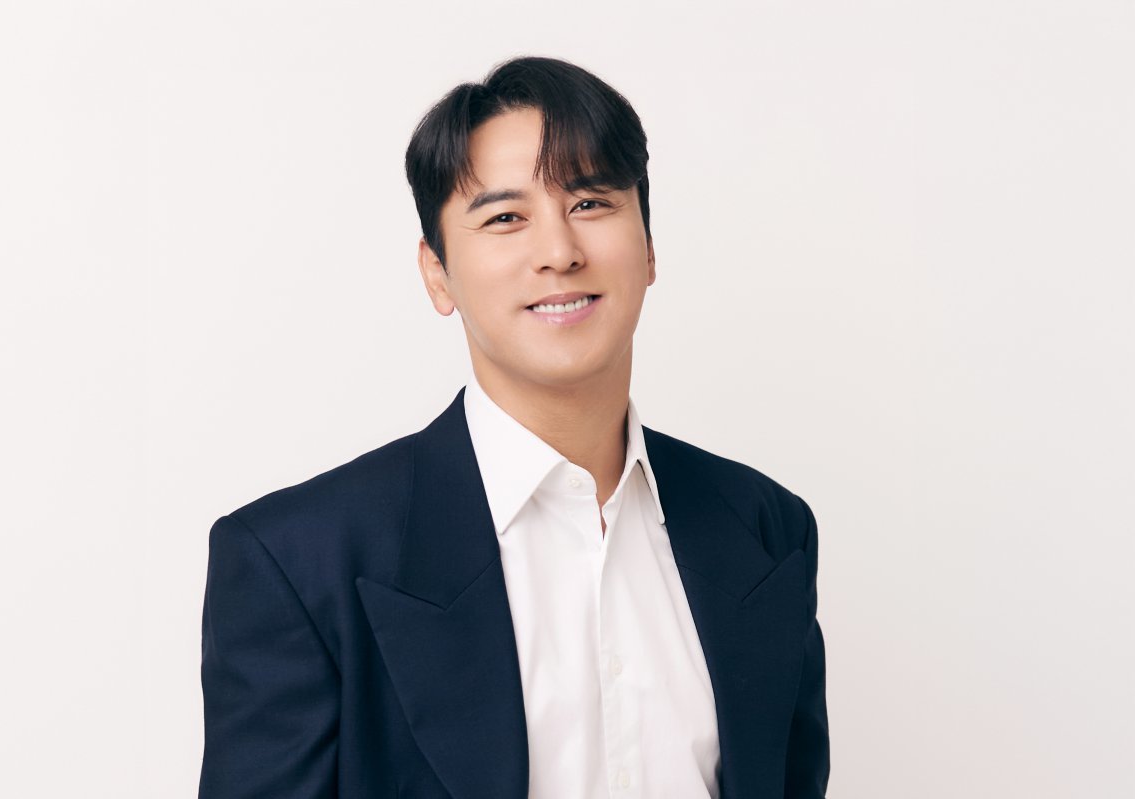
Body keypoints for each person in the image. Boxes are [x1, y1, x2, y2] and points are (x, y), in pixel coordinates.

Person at [199, 55, 830, 799]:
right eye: (505, 218)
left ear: (650, 248)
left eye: (591, 203)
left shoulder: (767, 528)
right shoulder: (298, 562)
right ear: (437, 273)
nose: (560, 252)